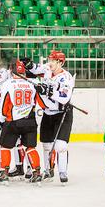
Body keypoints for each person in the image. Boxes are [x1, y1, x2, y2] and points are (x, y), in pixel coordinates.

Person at [27, 51, 75, 184]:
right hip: (48, 113)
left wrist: (48, 91)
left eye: (53, 60)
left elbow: (64, 98)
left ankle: (63, 171)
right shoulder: (48, 69)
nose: (50, 62)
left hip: (62, 114)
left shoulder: (66, 77)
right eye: (49, 59)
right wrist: (29, 65)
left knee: (60, 146)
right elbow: (37, 69)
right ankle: (48, 170)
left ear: (60, 62)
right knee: (47, 145)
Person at [0, 59, 46, 185]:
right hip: (30, 121)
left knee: (5, 146)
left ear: (11, 71)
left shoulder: (7, 84)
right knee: (30, 147)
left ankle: (4, 173)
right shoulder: (33, 83)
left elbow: (4, 105)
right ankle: (36, 173)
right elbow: (41, 103)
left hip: (13, 121)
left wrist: (1, 119)